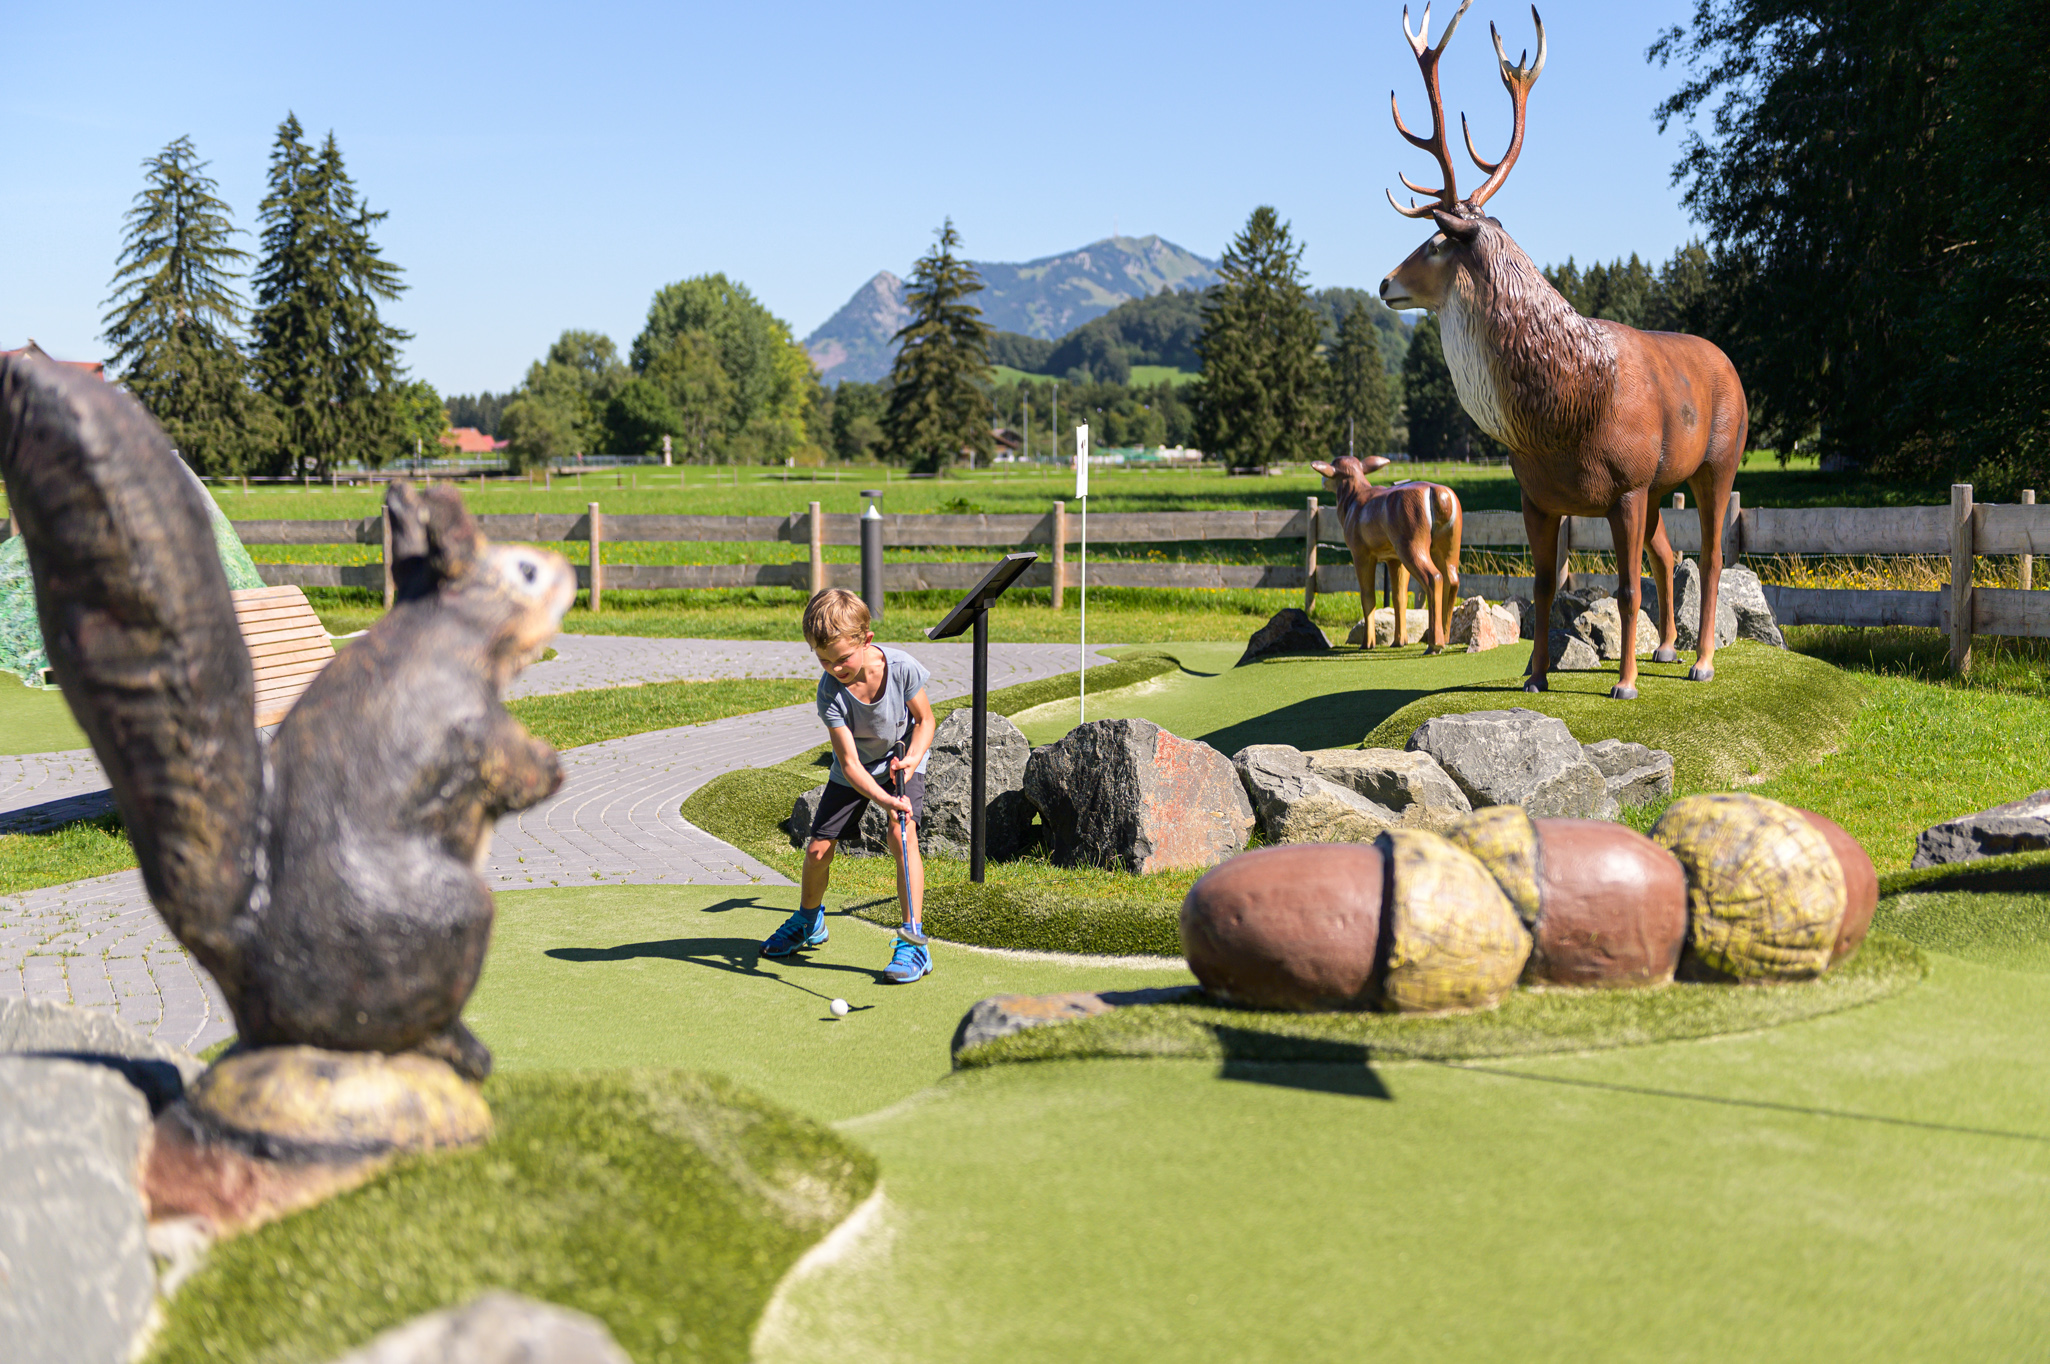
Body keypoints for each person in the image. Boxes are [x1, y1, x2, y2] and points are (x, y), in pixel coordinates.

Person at [761, 589, 935, 982]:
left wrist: (911, 760)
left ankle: (914, 942)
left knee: (901, 834)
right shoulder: (830, 691)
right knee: (818, 849)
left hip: (902, 759)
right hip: (855, 770)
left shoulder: (901, 667)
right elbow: (851, 764)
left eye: (842, 659)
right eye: (824, 660)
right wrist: (884, 798)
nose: (834, 668)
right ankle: (809, 921)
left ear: (866, 640)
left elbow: (925, 720)